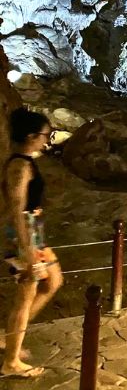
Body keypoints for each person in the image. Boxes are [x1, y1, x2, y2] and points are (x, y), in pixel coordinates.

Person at [2, 109, 61, 378]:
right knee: (24, 298)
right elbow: (16, 208)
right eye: (45, 135)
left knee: (53, 281)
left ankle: (7, 337)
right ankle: (11, 361)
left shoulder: (25, 161)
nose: (47, 140)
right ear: (30, 136)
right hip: (24, 234)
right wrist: (26, 249)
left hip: (33, 231)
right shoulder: (19, 167)